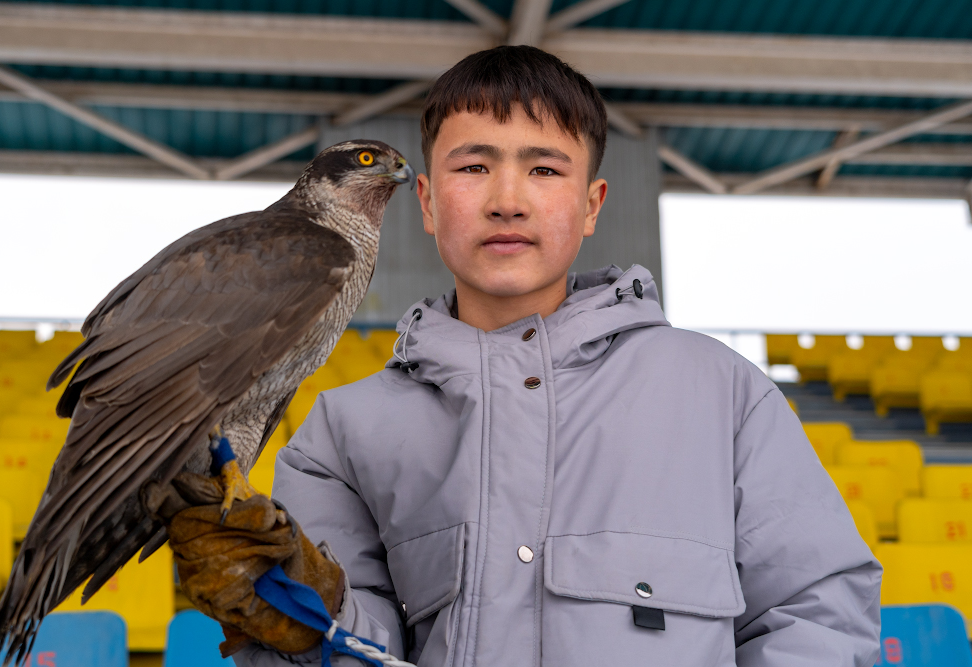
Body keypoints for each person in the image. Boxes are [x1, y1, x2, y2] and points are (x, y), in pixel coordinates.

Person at [161, 45, 882, 666]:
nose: (507, 200)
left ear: (593, 202)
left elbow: (818, 613)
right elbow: (353, 648)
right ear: (428, 201)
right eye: (473, 168)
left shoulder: (722, 392)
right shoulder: (340, 435)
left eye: (544, 170)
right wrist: (301, 618)